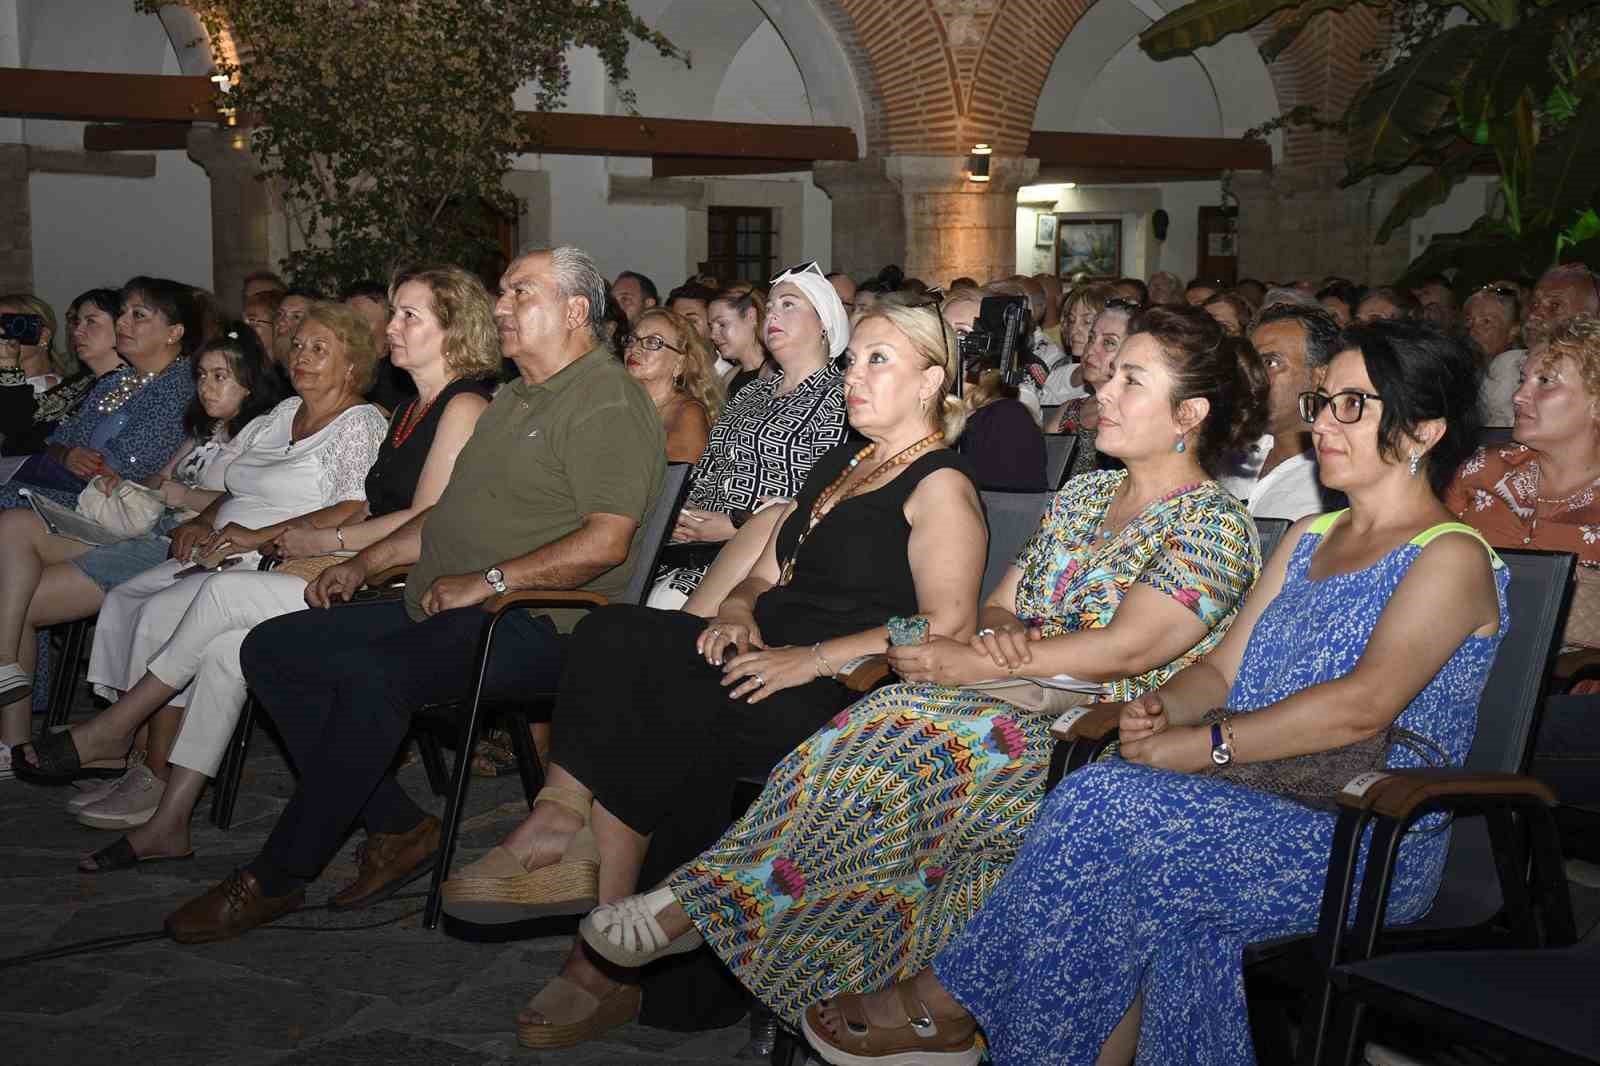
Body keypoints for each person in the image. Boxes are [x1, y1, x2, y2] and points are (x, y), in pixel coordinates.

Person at [798, 318, 1503, 1066]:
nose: (1324, 422)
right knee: (1127, 882)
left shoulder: (1449, 557)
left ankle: (945, 999)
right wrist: (1166, 705)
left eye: (1351, 406)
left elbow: (1364, 704)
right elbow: (1222, 671)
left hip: (1362, 832)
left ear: (1423, 429)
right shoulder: (1306, 538)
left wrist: (1206, 744)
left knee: (1104, 809)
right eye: (1322, 402)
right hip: (1254, 794)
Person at [581, 305, 1269, 1042]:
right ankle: (759, 936)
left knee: (903, 728)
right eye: (1113, 372)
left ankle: (700, 905)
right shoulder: (1086, 496)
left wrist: (1000, 653)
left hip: (1092, 743)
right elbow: (1000, 606)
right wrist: (1002, 642)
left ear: (1187, 414)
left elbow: (1129, 649)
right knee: (888, 716)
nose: (1103, 388)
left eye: (1132, 380)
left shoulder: (1211, 524)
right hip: (1004, 701)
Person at [440, 297, 987, 1049]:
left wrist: (813, 659)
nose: (853, 376)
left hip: (838, 693)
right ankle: (565, 825)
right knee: (614, 630)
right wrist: (736, 611)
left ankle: (597, 958)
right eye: (852, 359)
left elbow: (943, 625)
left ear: (930, 382)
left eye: (878, 361)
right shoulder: (847, 463)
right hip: (759, 656)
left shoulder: (940, 486)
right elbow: (767, 572)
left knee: (655, 701)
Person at [159, 245, 665, 944]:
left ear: (576, 312)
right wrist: (365, 563)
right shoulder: (516, 395)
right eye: (503, 292)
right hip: (443, 603)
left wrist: (490, 581)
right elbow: (447, 513)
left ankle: (276, 876)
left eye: (522, 294)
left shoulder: (605, 400)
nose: (500, 307)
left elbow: (607, 542)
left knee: (375, 677)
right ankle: (398, 827)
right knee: (273, 649)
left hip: (540, 624)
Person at [61, 267, 498, 867]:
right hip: (362, 561)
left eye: (408, 316)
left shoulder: (464, 405)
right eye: (394, 313)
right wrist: (320, 539)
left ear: (451, 331)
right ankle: (169, 821)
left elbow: (428, 521)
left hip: (403, 583)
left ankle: (115, 727)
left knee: (220, 597)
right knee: (225, 652)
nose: (391, 327)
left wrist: (326, 539)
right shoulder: (410, 412)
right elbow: (381, 505)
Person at [13, 304, 385, 791]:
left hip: (278, 558)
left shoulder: (359, 422)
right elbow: (234, 483)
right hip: (220, 546)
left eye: (320, 349)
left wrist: (258, 536)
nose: (302, 356)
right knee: (127, 599)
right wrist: (204, 520)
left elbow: (355, 507)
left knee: (163, 612)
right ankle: (135, 754)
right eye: (297, 345)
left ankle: (145, 763)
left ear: (352, 364)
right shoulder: (285, 413)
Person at [0, 327, 281, 780]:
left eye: (220, 377)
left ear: (249, 383)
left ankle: (53, 741)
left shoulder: (259, 437)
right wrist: (125, 484)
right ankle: (11, 738)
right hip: (143, 527)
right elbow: (157, 484)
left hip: (170, 546)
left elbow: (244, 499)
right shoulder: (201, 431)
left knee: (19, 603)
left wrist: (178, 494)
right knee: (11, 545)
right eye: (203, 376)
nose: (207, 386)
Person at [649, 261, 848, 608]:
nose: (773, 314)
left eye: (789, 305)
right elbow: (708, 466)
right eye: (770, 306)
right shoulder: (752, 392)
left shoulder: (839, 397)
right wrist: (683, 514)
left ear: (824, 322)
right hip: (688, 547)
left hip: (761, 558)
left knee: (661, 608)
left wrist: (735, 525)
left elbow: (824, 495)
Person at [0, 277, 199, 512]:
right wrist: (66, 455)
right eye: (122, 313)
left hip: (117, 506)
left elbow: (125, 471)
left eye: (138, 315)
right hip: (76, 491)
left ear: (174, 332)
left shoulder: (180, 386)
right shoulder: (114, 382)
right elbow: (56, 441)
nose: (122, 323)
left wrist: (75, 461)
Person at [1218, 305, 1342, 520]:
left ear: (1321, 377)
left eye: (1270, 363)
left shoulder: (1338, 476)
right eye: (1249, 365)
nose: (1253, 376)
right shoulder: (1228, 452)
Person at [1, 291, 117, 456]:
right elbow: (20, 428)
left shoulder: (127, 383)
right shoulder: (78, 383)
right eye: (77, 322)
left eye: (90, 321)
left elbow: (20, 436)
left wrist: (8, 366)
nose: (76, 332)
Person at [1481, 266, 1600, 427]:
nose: (1534, 315)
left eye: (1554, 306)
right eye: (1535, 304)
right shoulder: (1506, 367)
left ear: (1594, 317)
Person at [1047, 300, 1136, 479]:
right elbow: (1042, 480)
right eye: (1091, 338)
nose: (1091, 350)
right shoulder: (1068, 411)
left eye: (1109, 342)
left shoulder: (1139, 416)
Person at [623, 307, 719, 464]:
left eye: (653, 342)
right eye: (632, 340)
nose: (635, 349)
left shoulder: (689, 412)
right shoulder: (619, 402)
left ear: (680, 363)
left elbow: (675, 480)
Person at [344, 279, 415, 413]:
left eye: (361, 321)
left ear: (390, 327)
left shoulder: (402, 382)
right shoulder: (331, 369)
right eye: (344, 320)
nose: (348, 328)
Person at [707, 283, 769, 402]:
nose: (712, 335)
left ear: (751, 316)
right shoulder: (729, 378)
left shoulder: (777, 375)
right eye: (711, 327)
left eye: (722, 324)